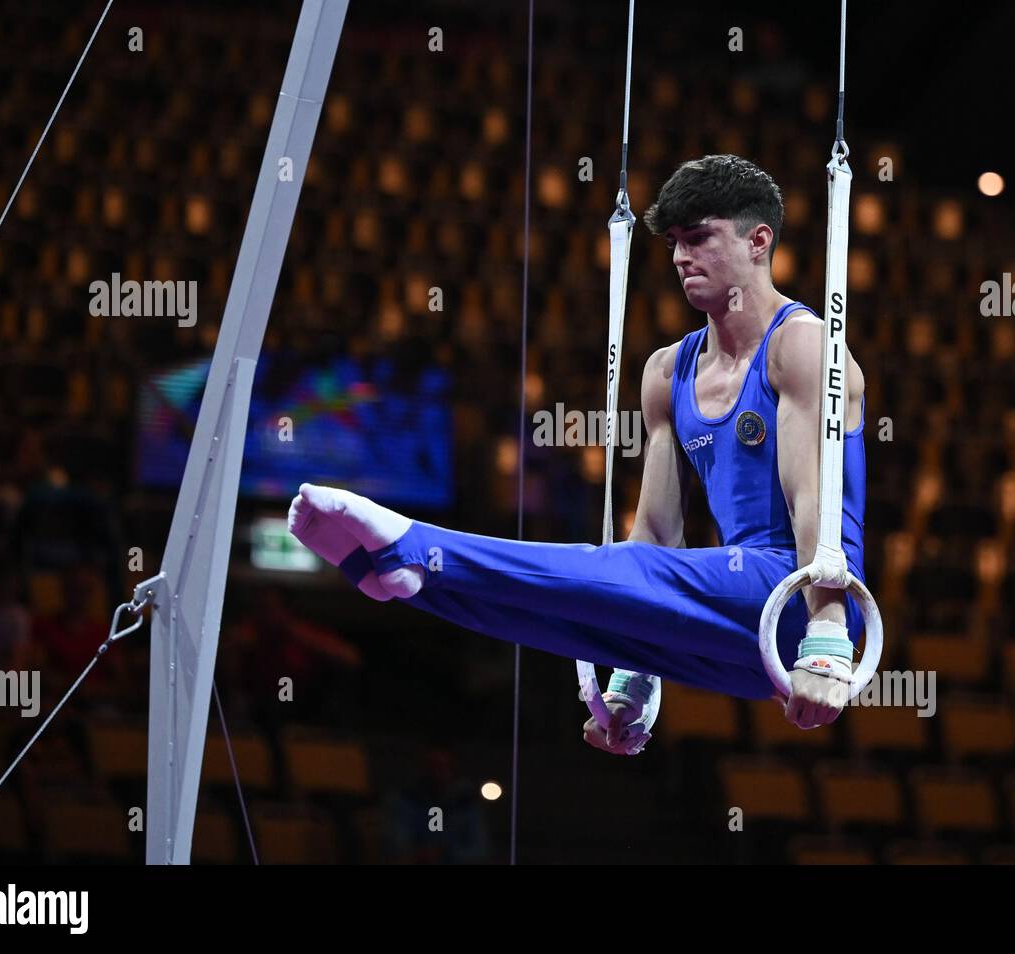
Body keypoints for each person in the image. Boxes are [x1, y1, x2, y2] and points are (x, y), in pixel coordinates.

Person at [289, 155, 868, 753]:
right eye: (672, 242)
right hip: (743, 637)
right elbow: (657, 534)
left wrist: (826, 634)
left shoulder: (801, 345)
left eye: (698, 238)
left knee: (613, 572)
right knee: (572, 618)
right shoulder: (668, 372)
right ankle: (417, 582)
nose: (678, 257)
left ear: (758, 241)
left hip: (799, 590)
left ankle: (417, 544)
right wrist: (632, 679)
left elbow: (809, 508)